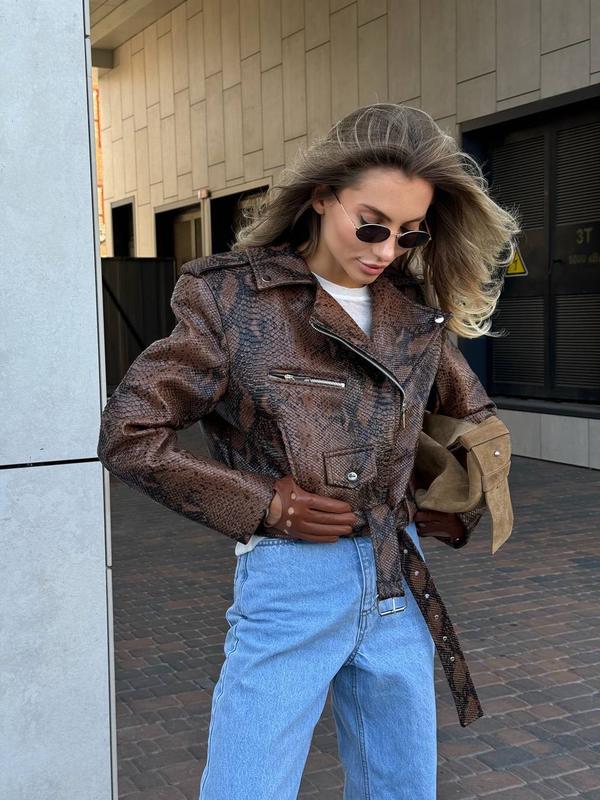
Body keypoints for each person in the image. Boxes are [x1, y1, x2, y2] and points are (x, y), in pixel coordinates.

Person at [97, 103, 519, 800]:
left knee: (403, 787)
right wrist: (264, 503)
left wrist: (453, 499)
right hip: (292, 583)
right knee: (246, 787)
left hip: (397, 572)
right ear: (323, 197)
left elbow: (471, 414)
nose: (386, 250)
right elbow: (131, 432)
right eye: (371, 224)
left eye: (409, 233)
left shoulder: (412, 310)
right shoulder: (234, 298)